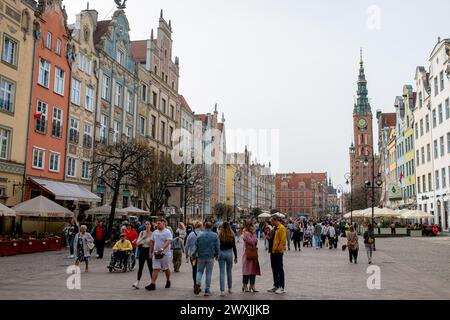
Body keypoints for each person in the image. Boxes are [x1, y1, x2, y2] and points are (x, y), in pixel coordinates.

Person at [146, 219, 173, 291]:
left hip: (165, 254)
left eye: (159, 223)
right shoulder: (155, 232)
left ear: (164, 224)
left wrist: (161, 249)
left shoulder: (167, 232)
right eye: (157, 223)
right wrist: (150, 252)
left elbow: (168, 241)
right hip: (155, 253)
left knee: (165, 268)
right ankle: (153, 284)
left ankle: (168, 280)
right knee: (155, 268)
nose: (157, 224)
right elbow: (152, 242)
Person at [193, 222, 220, 296]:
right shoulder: (215, 235)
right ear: (211, 227)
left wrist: (193, 254)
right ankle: (207, 290)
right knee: (208, 274)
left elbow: (196, 246)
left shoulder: (200, 235)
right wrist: (217, 254)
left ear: (204, 227)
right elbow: (217, 246)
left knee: (199, 271)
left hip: (201, 256)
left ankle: (198, 283)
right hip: (210, 256)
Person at [267, 215, 287, 294]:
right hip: (273, 251)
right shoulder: (275, 228)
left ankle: (281, 287)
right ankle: (276, 285)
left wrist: (278, 249)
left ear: (276, 220)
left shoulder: (281, 228)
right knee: (274, 269)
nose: (271, 223)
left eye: (272, 221)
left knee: (279, 269)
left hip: (278, 252)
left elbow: (282, 241)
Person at [218, 222, 237, 296]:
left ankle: (222, 291)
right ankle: (230, 288)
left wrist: (216, 254)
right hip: (229, 253)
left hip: (221, 253)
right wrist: (236, 256)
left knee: (222, 272)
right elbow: (234, 246)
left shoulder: (220, 234)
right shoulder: (232, 234)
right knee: (229, 272)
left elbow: (218, 245)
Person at [133, 221, 153, 289]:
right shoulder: (142, 233)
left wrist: (152, 253)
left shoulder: (152, 234)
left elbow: (153, 244)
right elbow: (137, 243)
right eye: (146, 224)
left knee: (150, 267)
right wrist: (143, 238)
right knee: (140, 267)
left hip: (149, 251)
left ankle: (151, 281)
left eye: (148, 224)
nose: (147, 225)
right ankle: (137, 282)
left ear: (151, 225)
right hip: (142, 250)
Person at [242, 222, 261, 293]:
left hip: (253, 253)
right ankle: (245, 285)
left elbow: (255, 242)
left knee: (253, 270)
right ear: (248, 227)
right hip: (247, 254)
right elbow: (252, 241)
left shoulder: (254, 234)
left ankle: (252, 285)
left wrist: (254, 235)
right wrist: (254, 235)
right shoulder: (246, 234)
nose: (252, 227)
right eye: (251, 226)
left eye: (252, 226)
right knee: (246, 270)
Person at [185, 221, 203, 288]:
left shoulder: (190, 234)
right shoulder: (202, 234)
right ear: (200, 226)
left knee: (194, 269)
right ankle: (199, 282)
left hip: (192, 256)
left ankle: (195, 283)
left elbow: (186, 246)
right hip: (201, 256)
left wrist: (186, 254)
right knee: (200, 270)